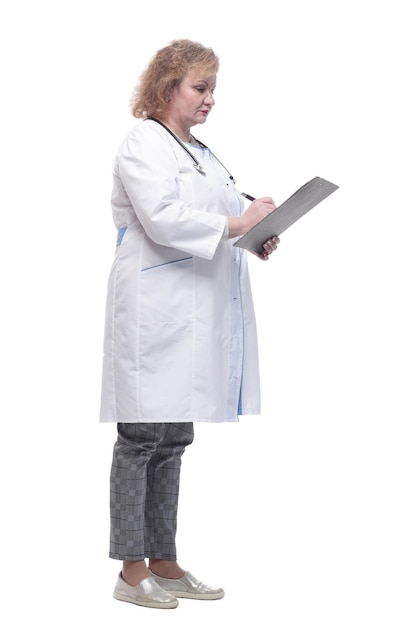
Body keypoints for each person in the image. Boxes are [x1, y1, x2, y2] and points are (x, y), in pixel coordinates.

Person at [99, 38, 279, 610]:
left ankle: (165, 562)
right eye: (200, 88)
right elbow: (164, 217)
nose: (209, 100)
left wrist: (254, 234)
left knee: (174, 438)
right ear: (166, 87)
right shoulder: (142, 144)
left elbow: (220, 214)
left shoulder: (201, 151)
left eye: (212, 90)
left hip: (190, 312)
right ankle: (130, 573)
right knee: (141, 437)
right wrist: (235, 222)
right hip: (154, 312)